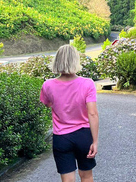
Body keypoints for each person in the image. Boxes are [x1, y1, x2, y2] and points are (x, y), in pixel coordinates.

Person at [40, 45, 99, 182]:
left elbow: (47, 103)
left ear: (57, 60)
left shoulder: (47, 85)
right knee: (87, 176)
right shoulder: (87, 84)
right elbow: (92, 114)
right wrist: (95, 141)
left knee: (67, 179)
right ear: (75, 60)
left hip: (61, 137)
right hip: (83, 135)